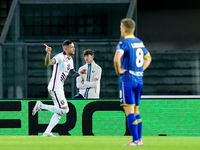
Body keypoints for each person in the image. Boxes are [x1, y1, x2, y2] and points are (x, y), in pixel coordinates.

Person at [113, 18, 152, 146]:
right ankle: (139, 139)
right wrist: (140, 70)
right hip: (139, 80)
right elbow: (148, 58)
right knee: (136, 110)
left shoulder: (124, 43)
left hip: (128, 80)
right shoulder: (139, 42)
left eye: (120, 28)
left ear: (124, 30)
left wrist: (119, 70)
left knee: (128, 110)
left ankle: (135, 140)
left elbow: (116, 58)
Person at [32, 40, 78, 137]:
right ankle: (41, 106)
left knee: (59, 112)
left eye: (73, 47)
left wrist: (81, 73)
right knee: (65, 110)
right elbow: (48, 63)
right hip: (55, 87)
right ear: (65, 49)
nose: (74, 48)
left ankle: (47, 132)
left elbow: (72, 73)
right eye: (71, 47)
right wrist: (48, 54)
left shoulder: (70, 59)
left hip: (59, 87)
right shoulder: (60, 57)